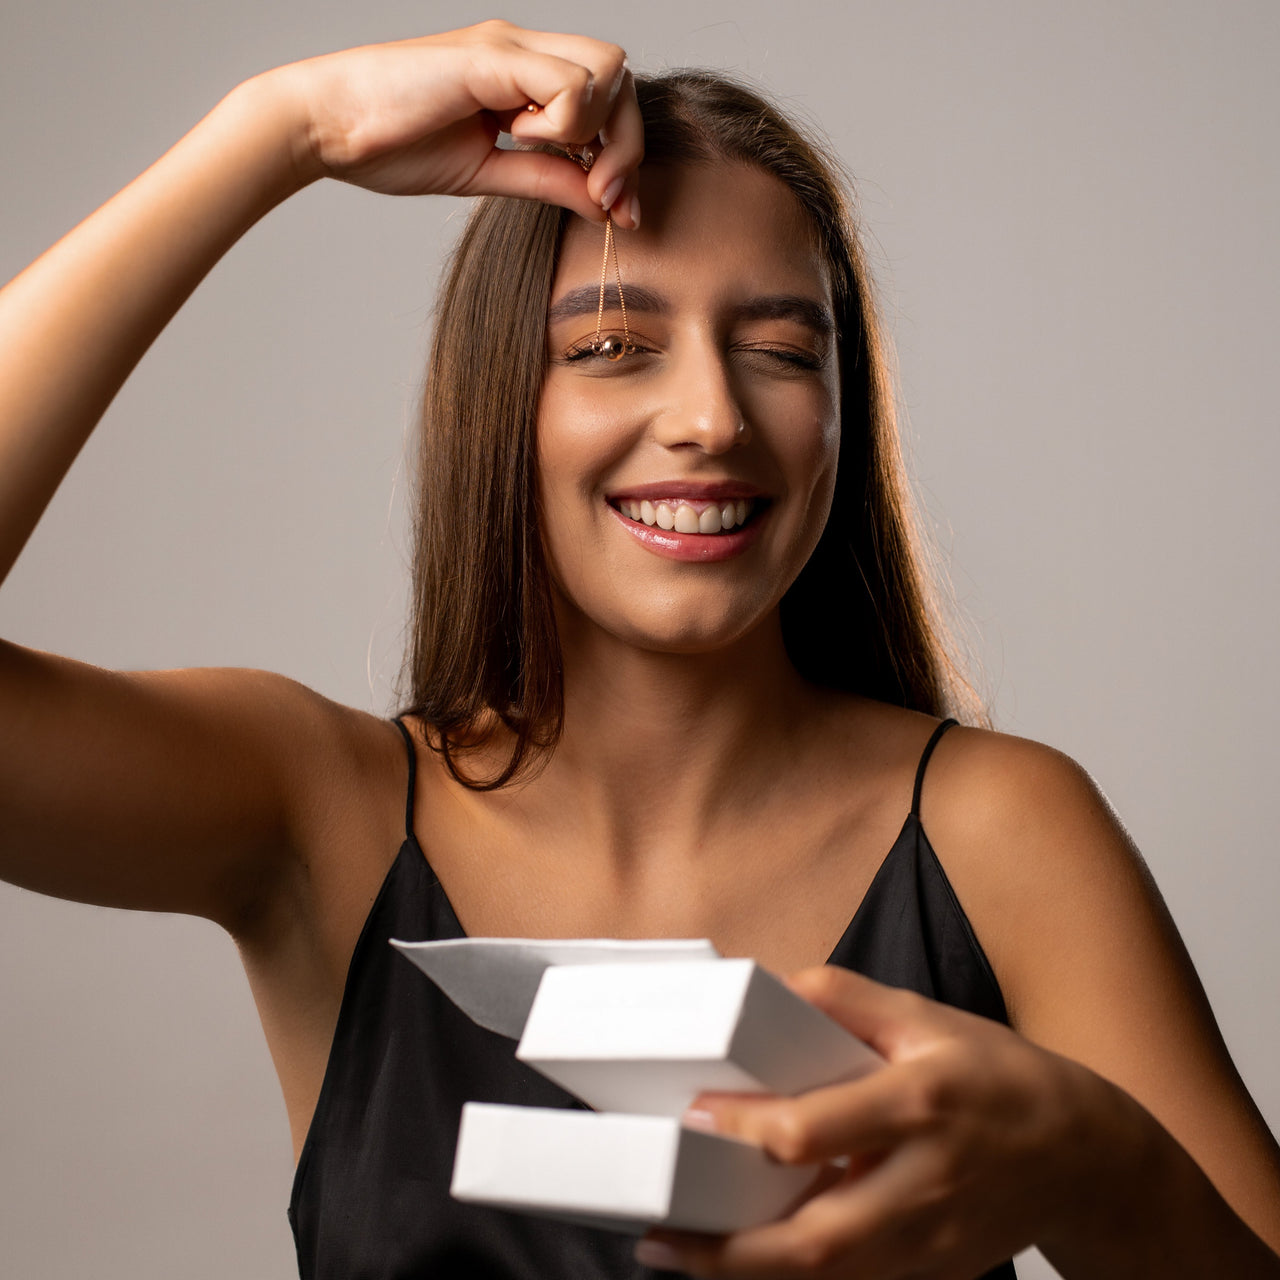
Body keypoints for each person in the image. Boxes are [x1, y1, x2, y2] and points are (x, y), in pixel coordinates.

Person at [1, 18, 1277, 1279]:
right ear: (502, 396)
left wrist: (1094, 1161)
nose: (713, 417)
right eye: (612, 348)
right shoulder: (314, 811)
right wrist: (281, 131)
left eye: (781, 350)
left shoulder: (1001, 832)